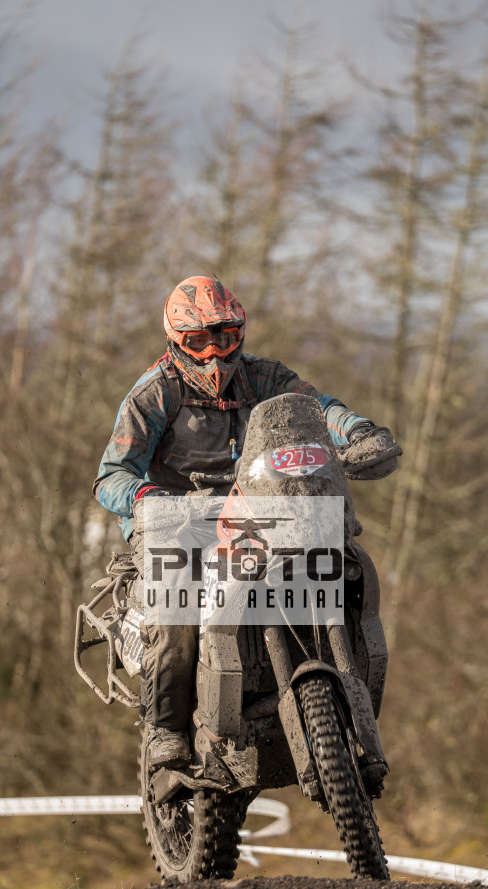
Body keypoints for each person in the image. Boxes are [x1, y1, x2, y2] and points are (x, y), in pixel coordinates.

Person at [94, 276, 397, 771]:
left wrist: (358, 430)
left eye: (225, 337)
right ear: (176, 342)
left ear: (240, 333)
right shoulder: (154, 394)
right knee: (176, 604)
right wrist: (148, 496)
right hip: (181, 521)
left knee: (345, 565)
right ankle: (165, 728)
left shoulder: (266, 378)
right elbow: (110, 477)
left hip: (257, 510)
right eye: (198, 341)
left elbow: (320, 408)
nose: (214, 354)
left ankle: (342, 698)